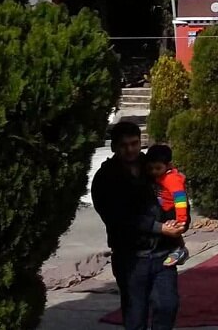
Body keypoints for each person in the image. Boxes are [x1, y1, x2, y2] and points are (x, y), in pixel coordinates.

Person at [92, 121, 184, 330]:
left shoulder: (153, 167)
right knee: (135, 317)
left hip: (163, 254)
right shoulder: (106, 178)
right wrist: (158, 227)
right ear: (114, 146)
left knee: (167, 305)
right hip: (131, 259)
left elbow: (174, 195)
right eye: (124, 145)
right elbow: (118, 218)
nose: (130, 149)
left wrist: (179, 225)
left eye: (134, 143)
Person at [145, 145, 190, 267]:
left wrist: (181, 219)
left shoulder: (171, 179)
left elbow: (180, 199)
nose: (154, 171)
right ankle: (178, 248)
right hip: (164, 208)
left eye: (158, 168)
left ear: (169, 165)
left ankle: (179, 250)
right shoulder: (158, 176)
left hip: (172, 210)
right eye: (151, 168)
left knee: (171, 228)